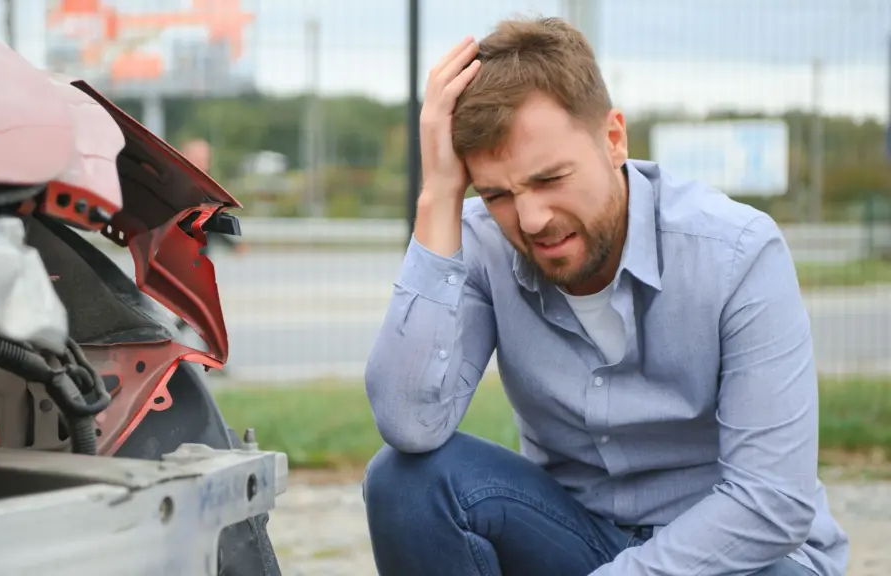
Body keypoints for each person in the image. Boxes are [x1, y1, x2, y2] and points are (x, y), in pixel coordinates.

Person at [361, 16, 849, 576]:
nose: (531, 219)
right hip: (576, 537)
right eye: (497, 193)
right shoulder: (482, 241)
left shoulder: (737, 252)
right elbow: (408, 423)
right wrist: (439, 196)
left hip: (737, 560)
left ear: (614, 138)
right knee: (406, 482)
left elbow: (771, 505)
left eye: (549, 179)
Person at [179, 138, 249, 257]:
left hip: (198, 257)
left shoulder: (207, 190)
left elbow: (211, 223)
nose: (205, 164)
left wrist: (232, 245)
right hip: (177, 252)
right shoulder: (178, 186)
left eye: (206, 159)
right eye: (199, 159)